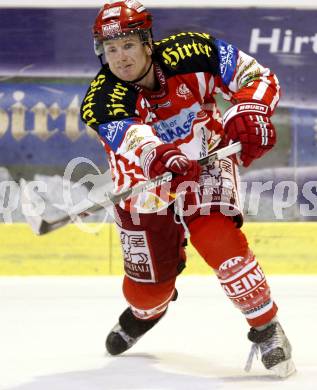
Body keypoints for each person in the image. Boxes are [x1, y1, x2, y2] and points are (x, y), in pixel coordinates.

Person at [80, 0, 295, 378]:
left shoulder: (193, 51)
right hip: (145, 180)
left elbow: (258, 78)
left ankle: (266, 328)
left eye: (128, 45)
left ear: (148, 42)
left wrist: (250, 111)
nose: (120, 58)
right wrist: (161, 157)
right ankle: (149, 310)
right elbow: (132, 140)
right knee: (147, 292)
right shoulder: (102, 97)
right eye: (110, 49)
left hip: (206, 158)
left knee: (219, 240)